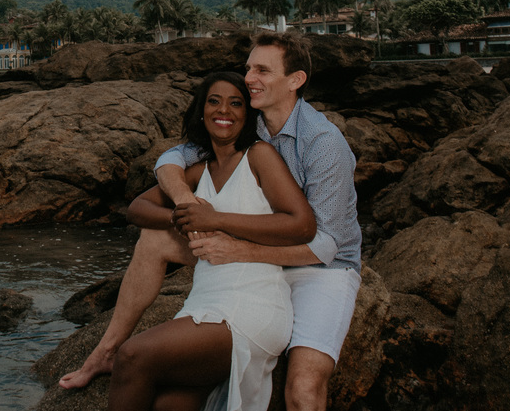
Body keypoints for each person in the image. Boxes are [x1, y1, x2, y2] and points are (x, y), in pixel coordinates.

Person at [61, 31, 362, 411]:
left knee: (302, 389)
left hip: (322, 268)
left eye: (263, 70)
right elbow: (171, 158)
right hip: (258, 258)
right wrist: (187, 206)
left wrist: (236, 247)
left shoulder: (323, 142)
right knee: (153, 240)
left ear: (295, 80)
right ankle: (106, 350)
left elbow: (323, 243)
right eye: (249, 67)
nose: (250, 77)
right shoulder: (249, 120)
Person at [106, 70, 315, 411]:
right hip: (204, 304)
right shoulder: (199, 172)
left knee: (131, 356)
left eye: (236, 103)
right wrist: (183, 217)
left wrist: (215, 219)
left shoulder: (259, 156)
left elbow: (302, 224)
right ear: (201, 111)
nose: (225, 111)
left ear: (248, 113)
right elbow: (137, 208)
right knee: (170, 405)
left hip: (251, 305)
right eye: (214, 101)